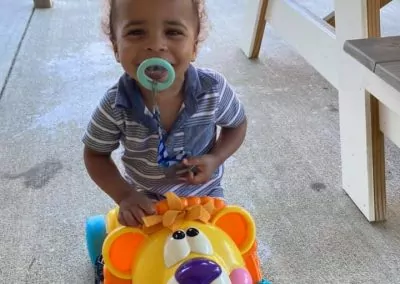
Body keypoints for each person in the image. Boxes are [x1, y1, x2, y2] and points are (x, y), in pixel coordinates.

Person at [82, 0, 247, 228]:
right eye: (136, 32)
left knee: (220, 246)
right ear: (116, 46)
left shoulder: (213, 90)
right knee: (136, 255)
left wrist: (215, 158)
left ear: (194, 46)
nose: (156, 45)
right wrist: (125, 196)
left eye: (173, 32)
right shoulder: (115, 106)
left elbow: (237, 124)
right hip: (145, 200)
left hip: (204, 193)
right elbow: (95, 155)